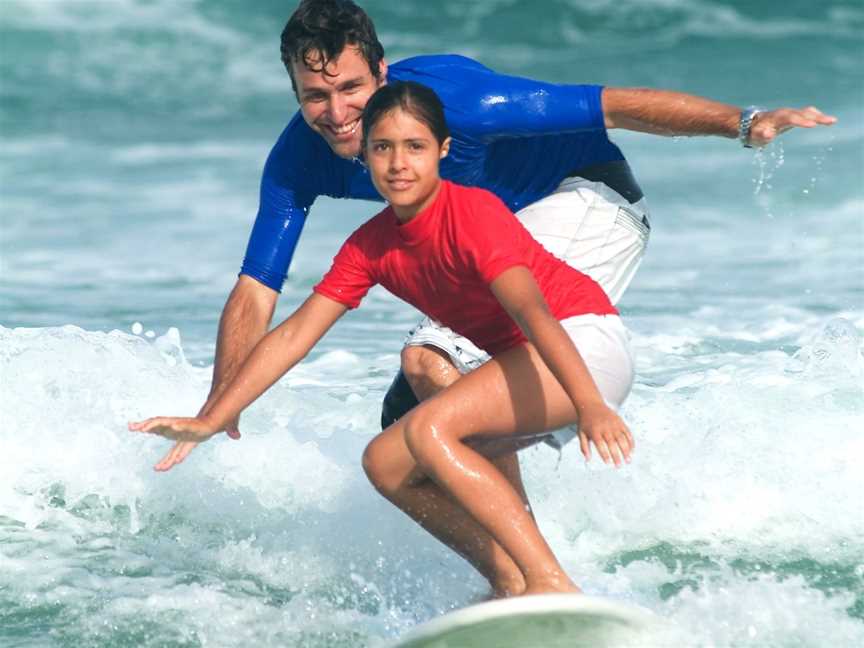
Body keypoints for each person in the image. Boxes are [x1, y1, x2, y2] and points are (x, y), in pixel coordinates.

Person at [151, 0, 835, 476]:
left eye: (352, 89)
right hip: (489, 236)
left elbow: (614, 104)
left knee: (429, 363)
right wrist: (220, 408)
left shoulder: (460, 107)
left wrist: (745, 123)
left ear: (382, 74)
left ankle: (534, 547)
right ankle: (514, 541)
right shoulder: (297, 156)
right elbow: (256, 289)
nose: (336, 114)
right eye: (313, 96)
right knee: (406, 407)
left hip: (583, 199)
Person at [131, 81, 637, 597]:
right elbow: (296, 335)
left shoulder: (474, 214)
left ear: (442, 150)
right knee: (386, 463)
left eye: (414, 147)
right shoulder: (371, 246)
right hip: (533, 363)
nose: (398, 163)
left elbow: (534, 314)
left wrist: (589, 405)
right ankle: (508, 579)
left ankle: (551, 583)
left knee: (430, 430)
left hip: (582, 346)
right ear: (365, 156)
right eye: (382, 147)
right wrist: (212, 418)